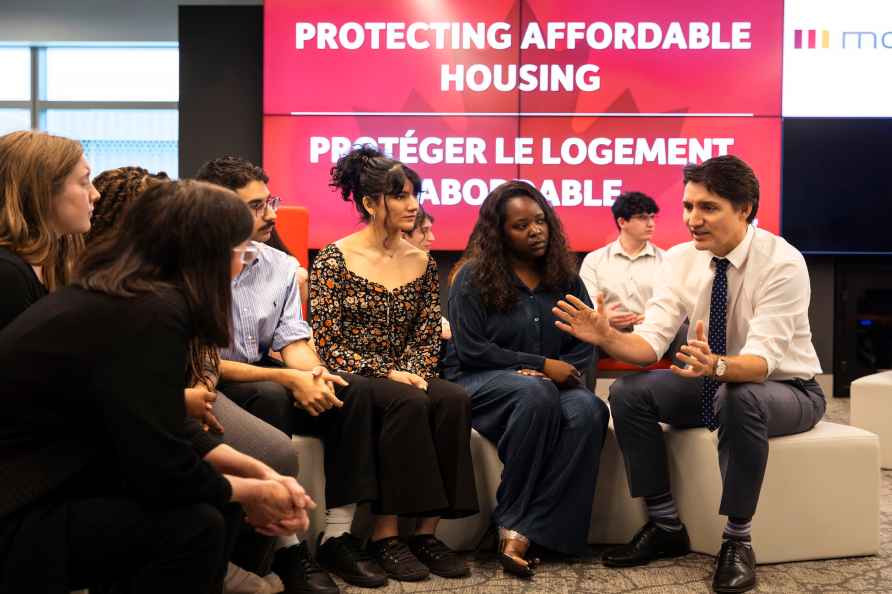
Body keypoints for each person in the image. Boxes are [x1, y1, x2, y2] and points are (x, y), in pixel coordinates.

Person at [0, 179, 311, 594]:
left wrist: (254, 473)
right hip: (21, 508)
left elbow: (159, 420)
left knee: (214, 502)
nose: (241, 266)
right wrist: (252, 491)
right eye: (240, 252)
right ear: (207, 255)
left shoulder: (126, 296)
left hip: (48, 480)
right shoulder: (151, 313)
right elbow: (157, 463)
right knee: (195, 524)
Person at [553, 155, 826, 594]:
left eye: (708, 207)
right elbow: (649, 345)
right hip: (713, 379)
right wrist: (605, 336)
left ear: (745, 208)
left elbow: (761, 362)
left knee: (738, 396)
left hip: (786, 389)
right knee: (628, 393)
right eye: (687, 206)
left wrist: (716, 366)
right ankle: (665, 525)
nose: (692, 220)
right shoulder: (680, 259)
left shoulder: (782, 262)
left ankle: (738, 541)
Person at [88, 166, 302, 594]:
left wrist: (308, 376)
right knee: (230, 479)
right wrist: (245, 485)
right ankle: (230, 568)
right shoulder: (137, 300)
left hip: (186, 394)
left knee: (275, 454)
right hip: (110, 432)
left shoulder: (163, 293)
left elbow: (157, 396)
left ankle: (252, 563)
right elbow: (142, 423)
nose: (242, 260)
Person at [310, 145, 478, 583]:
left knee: (454, 399)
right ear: (370, 203)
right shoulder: (334, 259)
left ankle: (426, 533)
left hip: (407, 372)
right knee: (407, 402)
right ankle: (386, 536)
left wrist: (416, 372)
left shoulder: (420, 261)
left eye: (415, 195)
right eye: (401, 196)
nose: (413, 205)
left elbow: (426, 337)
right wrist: (386, 372)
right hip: (353, 374)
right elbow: (327, 344)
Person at [442, 180, 609, 578]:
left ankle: (546, 532)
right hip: (478, 383)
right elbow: (471, 350)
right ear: (499, 233)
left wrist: (560, 372)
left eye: (540, 221)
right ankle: (511, 526)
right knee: (533, 391)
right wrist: (541, 365)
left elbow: (583, 340)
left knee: (589, 410)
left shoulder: (565, 277)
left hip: (547, 388)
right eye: (521, 225)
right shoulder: (472, 277)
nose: (535, 231)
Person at [0, 130, 99, 328]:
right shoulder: (7, 274)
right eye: (84, 181)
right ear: (43, 190)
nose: (95, 194)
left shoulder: (51, 262)